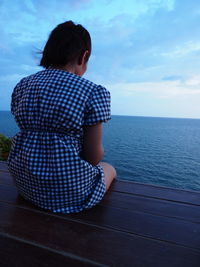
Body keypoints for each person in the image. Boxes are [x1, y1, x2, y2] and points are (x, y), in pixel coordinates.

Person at [8, 20, 116, 214]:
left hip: (25, 184)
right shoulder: (92, 92)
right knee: (108, 168)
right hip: (68, 193)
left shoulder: (23, 85)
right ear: (84, 56)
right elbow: (93, 157)